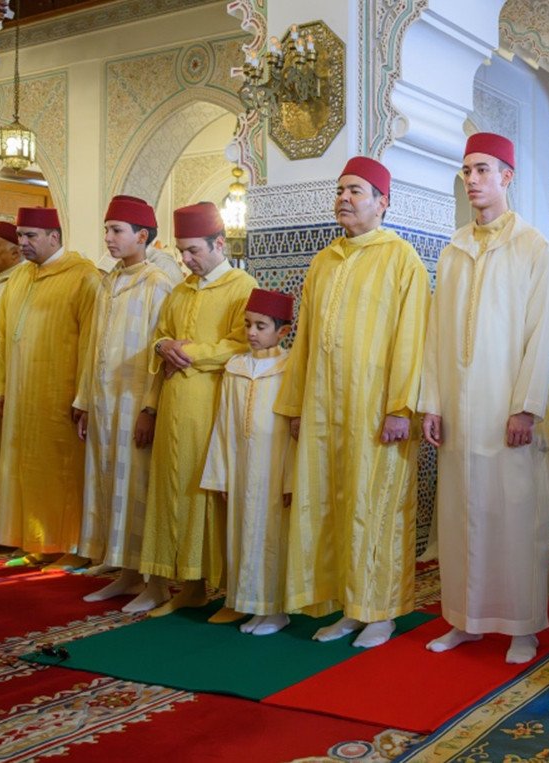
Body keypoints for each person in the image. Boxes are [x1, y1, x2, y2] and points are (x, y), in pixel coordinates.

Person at [419, 132, 549, 665]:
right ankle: (465, 618)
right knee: (463, 514)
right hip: (460, 412)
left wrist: (526, 406)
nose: (473, 180)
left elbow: (542, 332)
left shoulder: (533, 247)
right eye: (467, 171)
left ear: (507, 176)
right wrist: (432, 401)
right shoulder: (454, 249)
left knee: (516, 514)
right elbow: (435, 334)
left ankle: (523, 626)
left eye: (483, 170)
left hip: (508, 410)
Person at [278, 157, 430, 648]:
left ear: (382, 203)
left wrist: (400, 408)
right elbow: (304, 340)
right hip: (324, 406)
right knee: (333, 504)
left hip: (377, 410)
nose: (344, 198)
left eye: (356, 191)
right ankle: (349, 606)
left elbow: (413, 338)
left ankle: (381, 611)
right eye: (340, 190)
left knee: (377, 507)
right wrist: (297, 404)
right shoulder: (323, 262)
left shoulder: (401, 258)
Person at [135, 202, 256, 618]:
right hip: (172, 404)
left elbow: (241, 343)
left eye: (193, 251)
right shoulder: (181, 290)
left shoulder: (242, 287)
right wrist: (162, 348)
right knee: (171, 489)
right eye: (182, 251)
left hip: (211, 406)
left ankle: (215, 583)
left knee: (202, 492)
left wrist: (189, 353)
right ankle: (185, 584)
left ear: (219, 243)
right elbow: (161, 336)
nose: (186, 260)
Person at [73, 195, 174, 607]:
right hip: (104, 402)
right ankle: (127, 573)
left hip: (134, 404)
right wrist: (84, 400)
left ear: (142, 236)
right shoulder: (107, 282)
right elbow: (92, 345)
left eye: (117, 231)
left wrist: (150, 408)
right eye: (107, 230)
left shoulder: (158, 283)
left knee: (139, 487)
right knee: (109, 481)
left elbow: (160, 351)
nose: (109, 238)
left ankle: (155, 583)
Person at [0, 206, 99, 568]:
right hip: (22, 396)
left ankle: (72, 545)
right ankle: (39, 541)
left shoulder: (83, 277)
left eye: (31, 236)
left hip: (61, 395)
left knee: (63, 473)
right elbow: (4, 339)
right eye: (20, 235)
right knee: (29, 470)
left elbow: (92, 343)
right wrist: (1, 387)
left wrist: (84, 396)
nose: (23, 242)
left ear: (54, 237)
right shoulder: (21, 277)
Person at [202, 289, 297, 636]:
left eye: (261, 326)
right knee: (244, 534)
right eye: (248, 325)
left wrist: (291, 479)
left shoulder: (291, 369)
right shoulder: (236, 367)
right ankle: (252, 605)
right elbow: (223, 424)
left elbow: (295, 432)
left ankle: (275, 610)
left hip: (274, 469)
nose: (252, 333)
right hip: (241, 467)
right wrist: (222, 475)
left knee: (271, 538)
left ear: (282, 331)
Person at [0, 220, 24, 541]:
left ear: (15, 252)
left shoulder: (19, 284)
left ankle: (1, 527)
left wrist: (5, 386)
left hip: (4, 386)